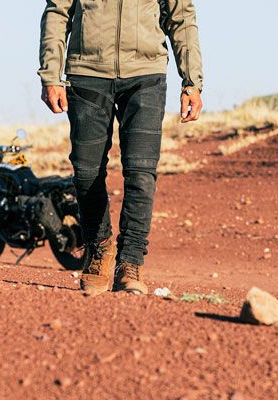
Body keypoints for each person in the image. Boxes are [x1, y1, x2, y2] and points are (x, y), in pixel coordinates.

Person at [38, 0, 203, 296]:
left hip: (145, 75)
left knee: (141, 173)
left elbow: (181, 16)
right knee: (86, 172)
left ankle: (130, 262)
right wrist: (51, 76)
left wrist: (192, 81)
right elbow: (57, 12)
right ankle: (99, 248)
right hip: (87, 73)